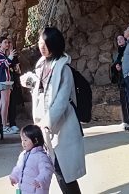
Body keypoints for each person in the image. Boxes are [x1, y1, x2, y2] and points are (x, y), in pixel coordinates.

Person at [21, 27, 85, 194]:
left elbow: (62, 101)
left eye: (45, 43)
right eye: (40, 42)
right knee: (53, 168)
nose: (41, 46)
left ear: (54, 44)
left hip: (61, 126)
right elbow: (42, 89)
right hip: (46, 127)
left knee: (63, 170)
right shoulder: (41, 64)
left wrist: (46, 124)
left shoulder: (64, 69)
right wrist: (31, 81)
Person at [8, 124, 54, 194]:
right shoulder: (23, 155)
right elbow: (19, 168)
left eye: (25, 140)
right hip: (23, 190)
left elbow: (47, 171)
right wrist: (14, 176)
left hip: (36, 190)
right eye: (22, 140)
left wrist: (40, 180)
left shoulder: (41, 156)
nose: (23, 143)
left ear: (35, 140)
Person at [0, 34, 19, 134]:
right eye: (5, 42)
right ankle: (4, 126)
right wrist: (10, 57)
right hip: (3, 80)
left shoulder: (4, 54)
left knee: (2, 103)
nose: (7, 44)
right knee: (5, 103)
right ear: (0, 44)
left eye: (8, 42)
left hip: (7, 80)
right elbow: (4, 65)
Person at [111, 34, 129, 129]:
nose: (119, 41)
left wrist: (122, 66)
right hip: (121, 79)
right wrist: (116, 67)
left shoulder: (128, 50)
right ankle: (126, 120)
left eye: (121, 39)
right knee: (123, 100)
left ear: (125, 40)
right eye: (117, 39)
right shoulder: (118, 53)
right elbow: (115, 64)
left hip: (128, 78)